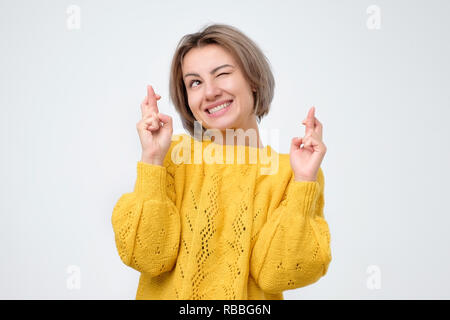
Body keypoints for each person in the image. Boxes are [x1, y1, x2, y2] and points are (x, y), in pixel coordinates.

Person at [111, 23, 332, 300]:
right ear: (187, 98)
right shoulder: (171, 157)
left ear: (253, 80)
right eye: (195, 82)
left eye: (223, 74)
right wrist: (152, 160)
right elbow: (147, 257)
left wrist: (303, 185)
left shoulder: (293, 173)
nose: (210, 92)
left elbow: (278, 273)